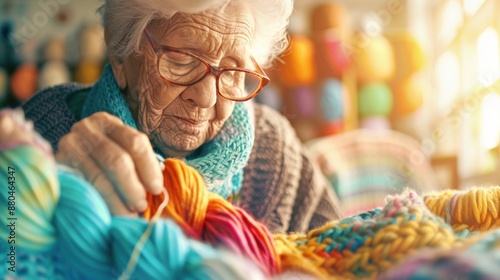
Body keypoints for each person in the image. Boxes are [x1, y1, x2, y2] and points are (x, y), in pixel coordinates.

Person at [22, 0, 342, 233]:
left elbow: (335, 256)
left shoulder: (275, 149)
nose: (205, 97)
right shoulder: (38, 136)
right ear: (120, 51)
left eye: (232, 70)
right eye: (182, 60)